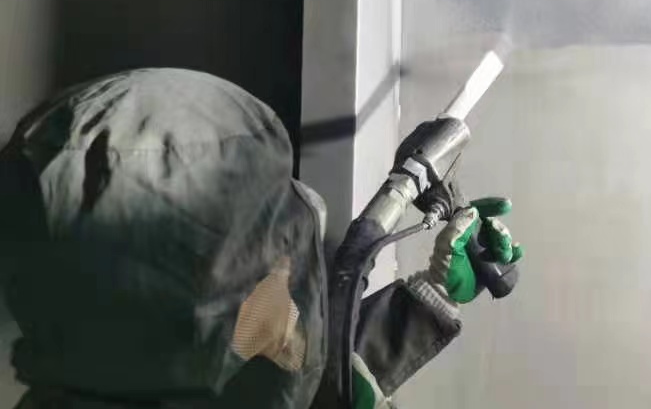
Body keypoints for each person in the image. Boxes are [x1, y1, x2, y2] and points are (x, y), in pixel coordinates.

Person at [0, 68, 522, 408]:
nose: (312, 211)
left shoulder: (117, 362)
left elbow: (282, 366)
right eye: (263, 247)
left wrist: (432, 297)